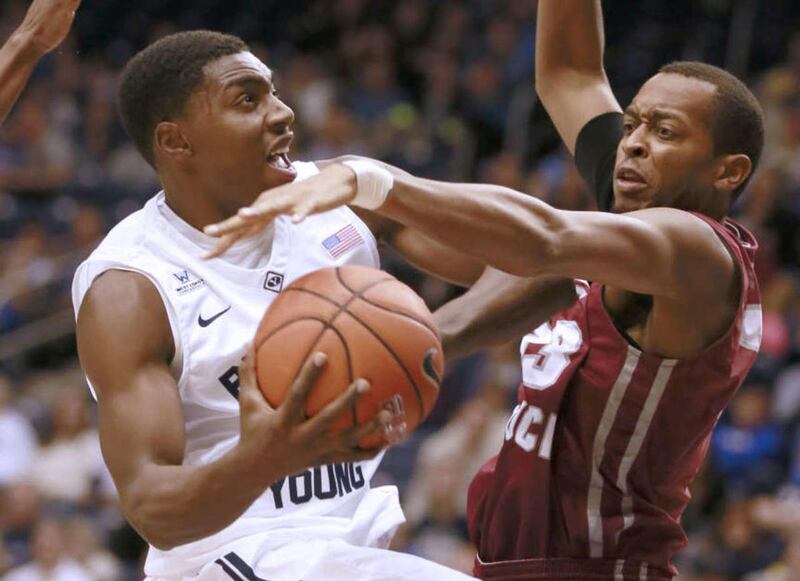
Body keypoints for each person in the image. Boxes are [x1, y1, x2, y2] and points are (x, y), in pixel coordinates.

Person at [206, 1, 765, 578]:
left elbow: (544, 238)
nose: (634, 143)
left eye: (665, 131)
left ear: (728, 172)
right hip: (510, 564)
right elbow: (571, 75)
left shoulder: (697, 251)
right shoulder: (633, 219)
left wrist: (373, 180)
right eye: (632, 124)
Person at [72, 30, 574, 581]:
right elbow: (152, 508)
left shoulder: (339, 194)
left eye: (274, 92)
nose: (283, 113)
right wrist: (265, 457)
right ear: (177, 141)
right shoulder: (131, 285)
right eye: (248, 99)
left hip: (348, 541)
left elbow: (547, 269)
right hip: (228, 555)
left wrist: (412, 343)